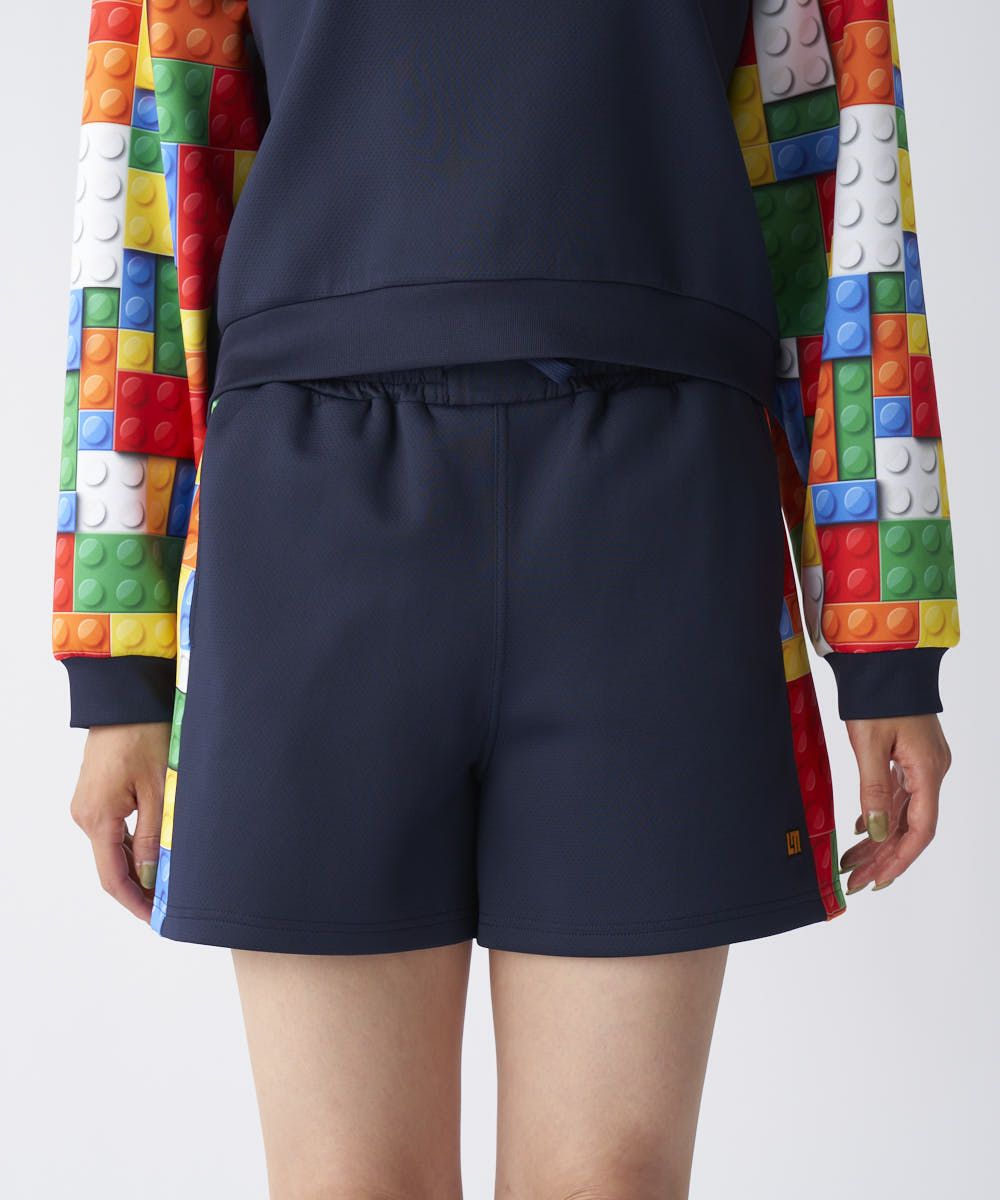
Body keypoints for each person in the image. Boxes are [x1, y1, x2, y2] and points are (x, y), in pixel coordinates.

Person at [55, 1, 956, 1195]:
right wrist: (116, 660)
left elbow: (839, 170)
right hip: (311, 527)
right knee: (346, 1186)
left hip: (652, 522)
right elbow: (146, 169)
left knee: (608, 1181)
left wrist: (885, 630)